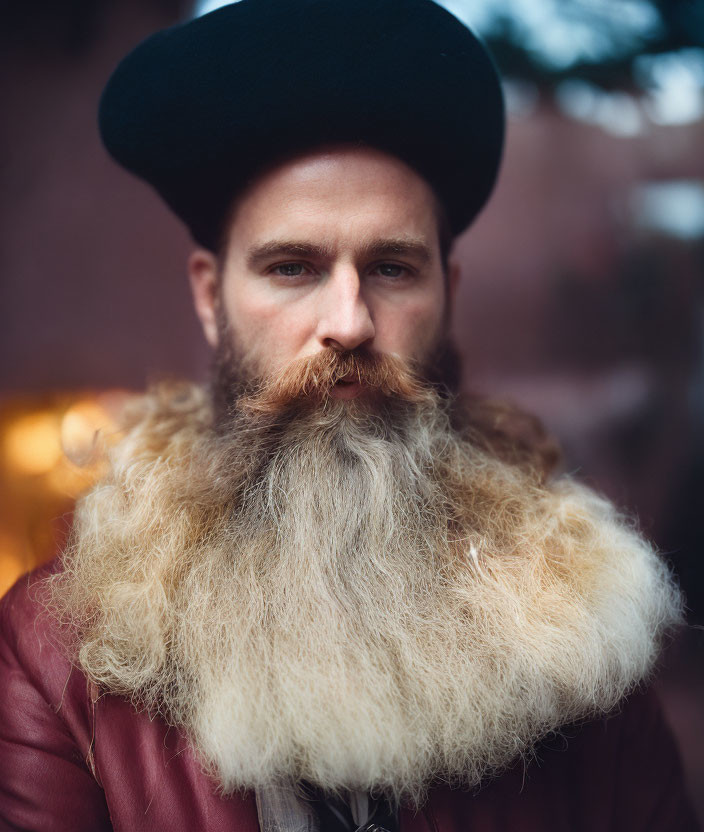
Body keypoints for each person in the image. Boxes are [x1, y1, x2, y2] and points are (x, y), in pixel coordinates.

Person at [0, 1, 699, 830]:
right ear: (209, 297)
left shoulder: (585, 630)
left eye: (393, 268)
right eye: (293, 267)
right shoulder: (56, 654)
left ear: (449, 294)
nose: (350, 321)